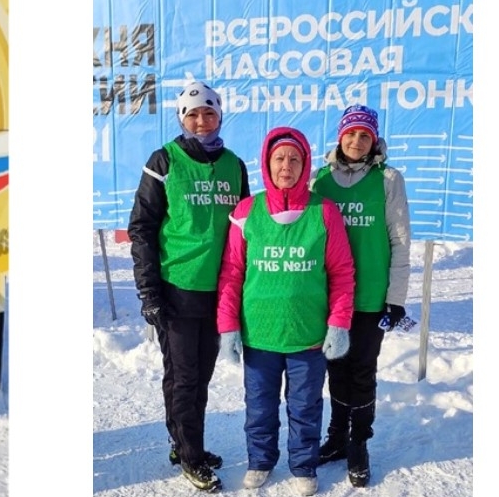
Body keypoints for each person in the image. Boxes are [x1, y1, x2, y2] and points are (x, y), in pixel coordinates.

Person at [217, 126, 355, 496]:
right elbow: (232, 272)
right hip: (259, 334)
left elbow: (341, 272)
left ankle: (303, 465)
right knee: (259, 406)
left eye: (294, 159)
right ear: (267, 162)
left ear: (305, 164)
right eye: (279, 158)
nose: (286, 166)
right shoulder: (247, 211)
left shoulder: (324, 212)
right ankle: (260, 460)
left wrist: (339, 323)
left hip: (307, 334)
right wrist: (228, 325)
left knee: (305, 406)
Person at [127, 81, 250, 493]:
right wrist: (149, 291)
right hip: (176, 287)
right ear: (182, 118)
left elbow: (245, 230)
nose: (201, 121)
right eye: (193, 114)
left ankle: (182, 442)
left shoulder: (234, 165)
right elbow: (142, 228)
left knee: (200, 375)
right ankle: (190, 455)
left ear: (220, 115)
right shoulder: (164, 160)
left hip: (219, 289)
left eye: (209, 112)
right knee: (184, 376)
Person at [310, 104, 411, 488]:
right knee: (336, 368)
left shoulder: (388, 179)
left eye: (364, 135)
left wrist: (395, 298)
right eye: (350, 133)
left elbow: (400, 241)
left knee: (363, 371)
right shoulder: (320, 180)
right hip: (331, 298)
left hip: (370, 297)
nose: (356, 141)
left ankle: (358, 443)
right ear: (340, 136)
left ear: (374, 139)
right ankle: (337, 435)